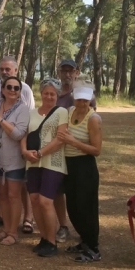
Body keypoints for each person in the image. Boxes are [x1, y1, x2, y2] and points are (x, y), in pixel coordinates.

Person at [0, 56, 35, 233]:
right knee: (3, 196)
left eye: (16, 88)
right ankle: (6, 229)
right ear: (3, 90)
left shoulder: (23, 105)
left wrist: (0, 120)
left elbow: (20, 132)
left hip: (15, 158)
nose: (12, 90)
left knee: (15, 195)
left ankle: (16, 230)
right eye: (9, 87)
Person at [22, 78, 68, 257]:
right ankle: (43, 238)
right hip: (32, 162)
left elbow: (60, 138)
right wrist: (25, 152)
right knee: (34, 200)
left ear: (57, 95)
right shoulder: (32, 113)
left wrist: (40, 153)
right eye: (46, 93)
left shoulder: (61, 112)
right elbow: (25, 135)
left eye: (53, 94)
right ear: (41, 94)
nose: (49, 97)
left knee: (45, 202)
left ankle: (52, 241)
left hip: (52, 162)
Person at [56, 86, 103, 262]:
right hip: (69, 165)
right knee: (74, 207)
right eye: (79, 99)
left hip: (85, 166)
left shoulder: (93, 119)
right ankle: (84, 241)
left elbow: (96, 150)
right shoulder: (69, 111)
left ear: (90, 100)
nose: (82, 103)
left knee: (87, 208)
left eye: (85, 100)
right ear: (74, 99)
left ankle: (93, 248)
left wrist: (73, 141)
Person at [53, 59, 97, 243]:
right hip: (58, 152)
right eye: (64, 71)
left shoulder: (87, 102)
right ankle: (65, 227)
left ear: (77, 72)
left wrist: (72, 140)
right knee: (60, 193)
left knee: (82, 200)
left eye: (70, 71)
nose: (67, 74)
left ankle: (89, 239)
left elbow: (91, 132)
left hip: (80, 157)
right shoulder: (56, 94)